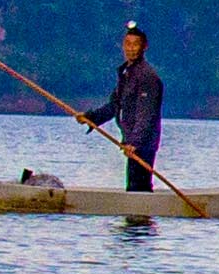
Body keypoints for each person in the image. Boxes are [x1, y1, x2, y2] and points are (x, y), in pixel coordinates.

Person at [70, 22, 164, 190]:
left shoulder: (148, 77)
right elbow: (114, 106)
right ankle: (138, 212)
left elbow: (146, 114)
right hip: (133, 142)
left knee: (139, 187)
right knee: (134, 186)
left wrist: (135, 142)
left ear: (144, 47)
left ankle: (141, 212)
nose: (131, 49)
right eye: (128, 44)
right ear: (123, 46)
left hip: (144, 143)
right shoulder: (127, 74)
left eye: (136, 45)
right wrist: (90, 117)